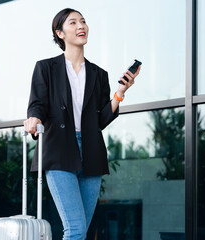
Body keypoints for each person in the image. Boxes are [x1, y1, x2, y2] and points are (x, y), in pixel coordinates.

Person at [23, 8, 141, 240]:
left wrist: (120, 92)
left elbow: (101, 120)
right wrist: (34, 118)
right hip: (58, 151)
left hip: (91, 152)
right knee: (75, 229)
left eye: (83, 22)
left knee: (81, 229)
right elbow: (37, 103)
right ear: (60, 33)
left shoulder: (98, 74)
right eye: (73, 23)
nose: (81, 26)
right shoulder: (46, 68)